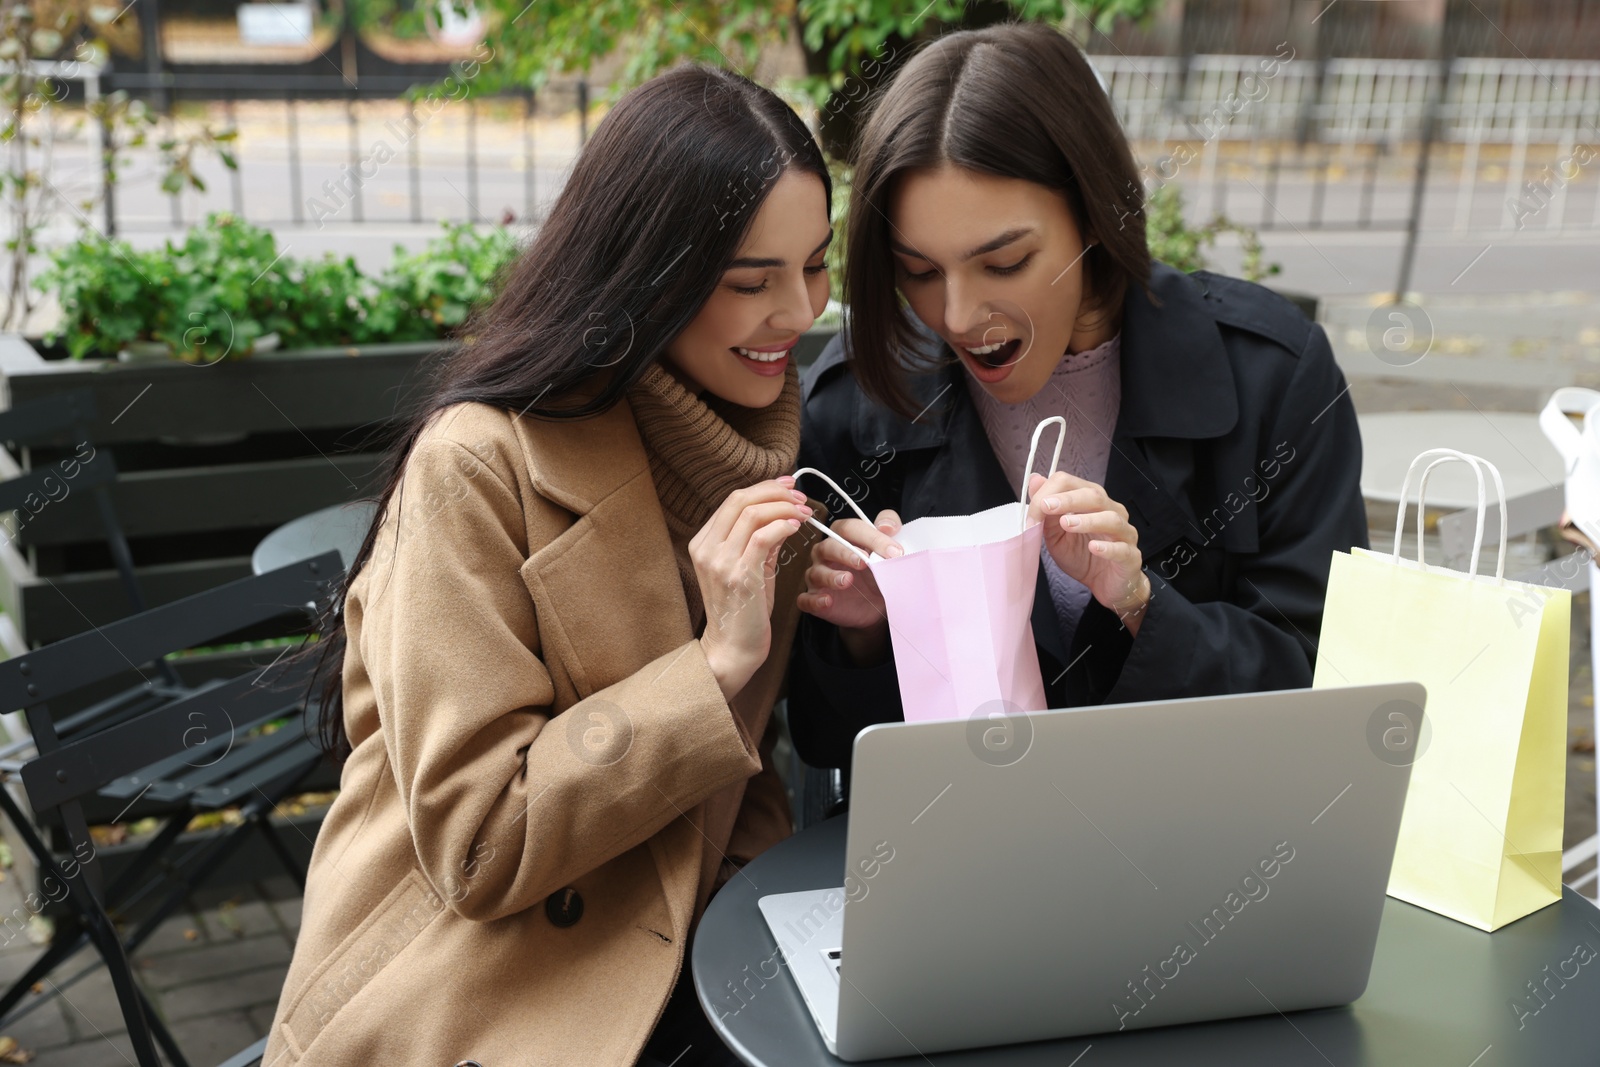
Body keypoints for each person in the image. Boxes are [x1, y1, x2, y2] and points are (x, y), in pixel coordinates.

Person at [262, 66, 832, 1066]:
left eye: (816, 266)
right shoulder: (476, 462)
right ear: (648, 273)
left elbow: (743, 772)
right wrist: (711, 668)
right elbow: (476, 843)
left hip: (688, 977)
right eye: (751, 280)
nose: (798, 310)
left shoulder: (763, 455)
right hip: (471, 991)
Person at [787, 22, 1367, 777]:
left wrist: (1142, 605)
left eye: (1005, 261)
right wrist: (865, 636)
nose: (958, 315)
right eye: (919, 272)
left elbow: (1324, 683)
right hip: (962, 857)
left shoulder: (1273, 374)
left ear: (1095, 215)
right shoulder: (858, 401)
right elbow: (828, 747)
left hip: (1218, 843)